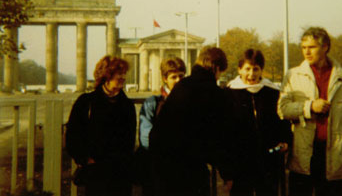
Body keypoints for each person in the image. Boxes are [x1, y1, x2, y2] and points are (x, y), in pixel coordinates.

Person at [278, 27, 342, 196]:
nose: (306, 52)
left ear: (325, 47)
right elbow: (282, 109)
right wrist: (308, 107)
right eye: (303, 47)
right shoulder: (293, 76)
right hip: (303, 156)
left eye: (312, 47)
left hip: (334, 155)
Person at [149, 46, 236, 196]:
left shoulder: (181, 86)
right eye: (220, 72)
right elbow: (219, 138)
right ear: (215, 68)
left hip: (163, 166)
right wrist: (228, 173)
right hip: (190, 169)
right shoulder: (214, 93)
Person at [66, 55, 136, 196]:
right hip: (95, 173)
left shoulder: (127, 105)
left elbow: (129, 140)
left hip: (120, 174)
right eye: (119, 73)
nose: (123, 77)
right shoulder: (86, 102)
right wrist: (84, 159)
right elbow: (72, 135)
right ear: (106, 75)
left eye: (124, 73)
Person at [227, 48, 291, 196]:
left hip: (268, 160)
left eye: (256, 69)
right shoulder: (229, 93)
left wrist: (285, 140)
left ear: (261, 70)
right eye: (247, 69)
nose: (251, 74)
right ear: (239, 70)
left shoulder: (272, 92)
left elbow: (282, 120)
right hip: (241, 162)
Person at [137, 57, 186, 196]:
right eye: (173, 77)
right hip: (158, 168)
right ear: (165, 79)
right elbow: (146, 138)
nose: (178, 80)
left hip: (183, 169)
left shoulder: (192, 102)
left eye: (181, 76)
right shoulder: (153, 103)